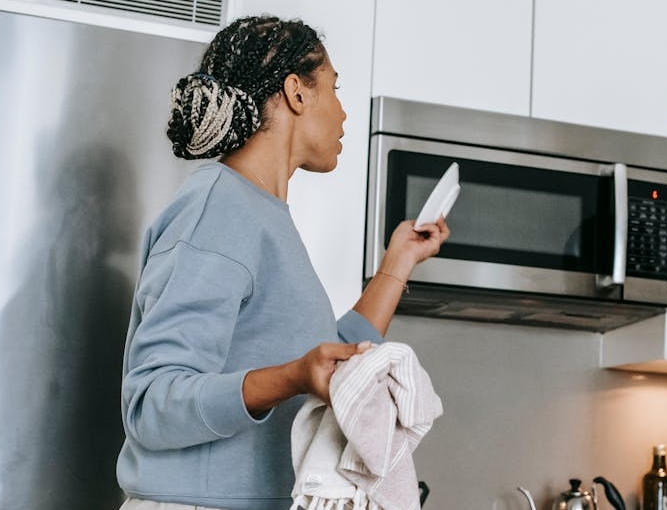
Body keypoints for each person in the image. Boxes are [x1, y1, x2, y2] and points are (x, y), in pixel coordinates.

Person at [114, 16, 449, 510]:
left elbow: (326, 362)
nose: (343, 113)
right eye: (335, 89)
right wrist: (293, 375)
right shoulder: (219, 208)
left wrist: (397, 264)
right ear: (297, 92)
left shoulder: (260, 215)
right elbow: (152, 401)